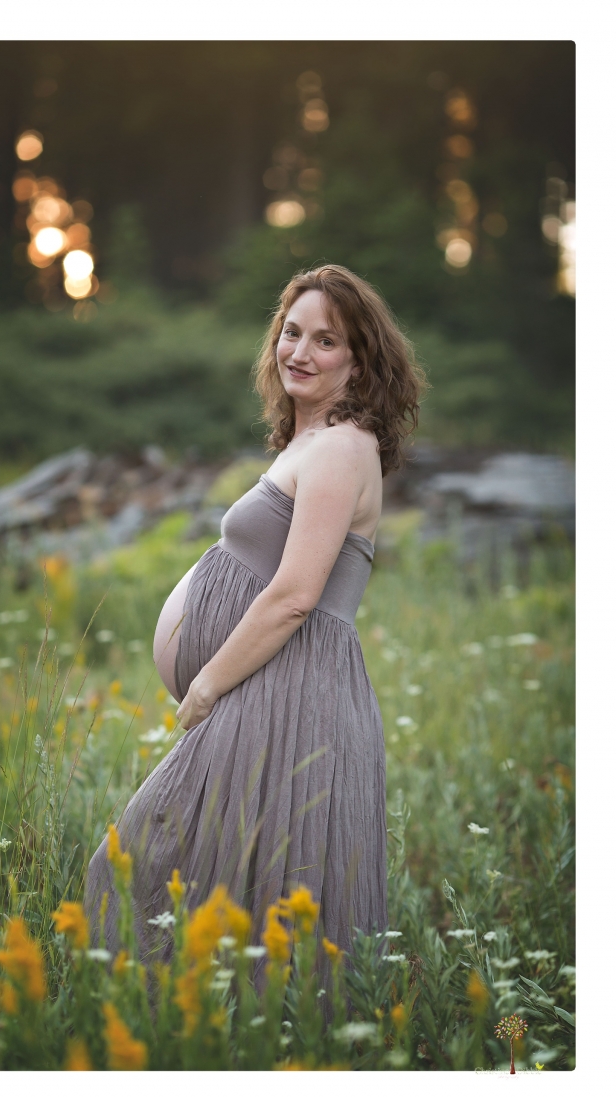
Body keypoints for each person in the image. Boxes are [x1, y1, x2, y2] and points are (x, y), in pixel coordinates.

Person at [84, 264, 425, 983]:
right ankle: (202, 1028)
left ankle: (202, 1028)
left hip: (286, 692)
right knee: (215, 876)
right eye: (291, 333)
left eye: (326, 341)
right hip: (270, 688)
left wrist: (206, 683)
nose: (299, 351)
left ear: (360, 360)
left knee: (163, 864)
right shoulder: (313, 442)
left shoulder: (341, 447)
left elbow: (295, 595)